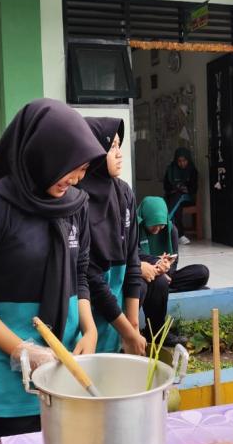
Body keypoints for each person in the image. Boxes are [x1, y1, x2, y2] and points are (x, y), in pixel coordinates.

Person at [0, 99, 103, 444]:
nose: (76, 179)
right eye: (70, 167)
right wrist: (22, 350)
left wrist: (90, 328)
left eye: (83, 169)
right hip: (7, 387)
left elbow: (80, 272)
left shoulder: (76, 205)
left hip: (64, 374)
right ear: (41, 154)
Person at [77, 117, 148, 355]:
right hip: (86, 312)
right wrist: (127, 330)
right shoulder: (76, 199)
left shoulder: (124, 193)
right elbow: (89, 276)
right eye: (111, 146)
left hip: (116, 313)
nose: (119, 154)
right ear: (94, 151)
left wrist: (133, 324)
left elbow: (132, 259)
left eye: (119, 145)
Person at [137, 196, 209, 343]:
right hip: (142, 273)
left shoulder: (171, 230)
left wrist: (166, 271)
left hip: (165, 275)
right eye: (153, 225)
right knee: (157, 282)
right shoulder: (134, 229)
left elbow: (174, 260)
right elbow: (134, 254)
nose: (157, 229)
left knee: (201, 272)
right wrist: (156, 263)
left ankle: (162, 289)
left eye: (161, 226)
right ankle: (156, 329)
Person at [163, 147, 198, 245]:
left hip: (187, 199)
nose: (182, 163)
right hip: (172, 197)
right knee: (176, 206)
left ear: (188, 160)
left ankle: (164, 224)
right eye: (179, 161)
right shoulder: (171, 169)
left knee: (179, 197)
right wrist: (175, 187)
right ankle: (178, 235)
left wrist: (184, 188)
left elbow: (194, 189)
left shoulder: (192, 170)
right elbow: (166, 187)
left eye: (184, 160)